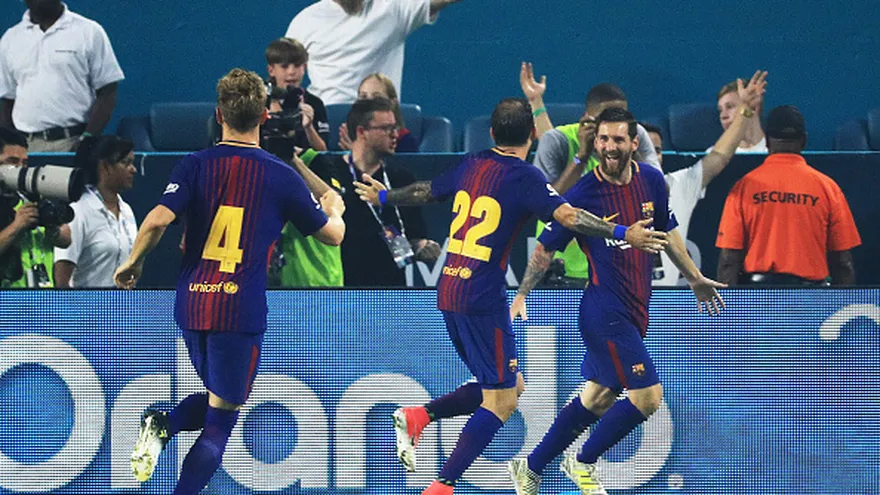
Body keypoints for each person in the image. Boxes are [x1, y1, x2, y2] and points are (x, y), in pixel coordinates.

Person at [354, 98, 667, 495]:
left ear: (491, 133)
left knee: (508, 386)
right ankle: (442, 487)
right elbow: (570, 217)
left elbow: (426, 191)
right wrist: (624, 233)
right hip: (482, 296)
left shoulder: (473, 162)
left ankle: (420, 415)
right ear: (533, 135)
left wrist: (384, 197)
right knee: (501, 401)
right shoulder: (524, 177)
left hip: (448, 287)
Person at [114, 68, 345, 495]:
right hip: (238, 309)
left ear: (218, 113)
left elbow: (157, 220)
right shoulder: (279, 175)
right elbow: (333, 236)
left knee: (221, 396)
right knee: (221, 422)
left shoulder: (194, 164)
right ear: (263, 116)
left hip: (192, 304)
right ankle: (166, 431)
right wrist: (334, 206)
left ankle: (165, 421)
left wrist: (134, 263)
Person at [505, 108, 725, 495]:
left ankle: (531, 465)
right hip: (603, 311)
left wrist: (694, 279)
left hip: (636, 309)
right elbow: (544, 247)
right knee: (647, 397)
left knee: (598, 397)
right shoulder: (583, 193)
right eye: (603, 139)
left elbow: (669, 232)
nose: (608, 146)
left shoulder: (652, 181)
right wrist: (522, 292)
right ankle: (582, 461)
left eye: (617, 139)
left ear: (632, 143)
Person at [521, 69, 661, 285]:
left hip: (618, 268)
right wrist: (581, 156)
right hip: (562, 269)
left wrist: (630, 150)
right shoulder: (557, 141)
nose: (616, 123)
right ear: (588, 119)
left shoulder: (636, 135)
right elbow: (544, 206)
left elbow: (659, 190)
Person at [716, 105, 861, 286]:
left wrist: (726, 311)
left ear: (767, 141)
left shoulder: (743, 187)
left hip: (758, 298)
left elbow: (729, 260)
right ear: (804, 141)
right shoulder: (828, 188)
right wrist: (843, 306)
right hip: (811, 300)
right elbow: (842, 263)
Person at [650, 71, 768, 286]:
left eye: (656, 150)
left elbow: (720, 157)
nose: (650, 156)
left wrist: (745, 111)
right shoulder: (607, 191)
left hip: (665, 301)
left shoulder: (680, 184)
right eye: (644, 149)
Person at [311, 97, 440, 287]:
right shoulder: (328, 171)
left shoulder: (401, 179)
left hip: (389, 291)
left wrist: (423, 247)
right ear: (362, 132)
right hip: (339, 289)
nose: (395, 134)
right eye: (386, 128)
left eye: (395, 127)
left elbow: (414, 236)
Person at [0, 0, 124, 151]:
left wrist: (87, 138)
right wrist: (10, 144)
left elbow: (108, 92)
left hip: (72, 141)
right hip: (25, 146)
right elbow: (7, 100)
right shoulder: (10, 39)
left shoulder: (89, 31)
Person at [285, 0, 463, 105]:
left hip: (380, 120)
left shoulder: (392, 9)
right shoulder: (304, 21)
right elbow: (284, 75)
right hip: (325, 120)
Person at [53, 136, 136, 288]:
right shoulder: (78, 211)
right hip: (87, 309)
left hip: (123, 308)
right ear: (105, 167)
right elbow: (62, 281)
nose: (133, 169)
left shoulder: (127, 211)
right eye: (125, 163)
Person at [0, 127, 71, 287]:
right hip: (8, 303)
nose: (20, 168)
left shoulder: (31, 195)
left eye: (24, 163)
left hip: (42, 301)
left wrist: (53, 228)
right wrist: (16, 226)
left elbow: (66, 240)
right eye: (12, 162)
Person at [264, 37, 329, 151]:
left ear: (304, 68)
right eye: (284, 66)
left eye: (297, 65)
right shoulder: (259, 101)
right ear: (271, 70)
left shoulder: (314, 103)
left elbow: (322, 152)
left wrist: (308, 127)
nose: (291, 72)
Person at [338, 73, 420, 152]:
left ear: (393, 103)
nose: (369, 103)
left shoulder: (405, 141)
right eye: (363, 97)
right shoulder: (348, 134)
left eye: (377, 98)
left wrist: (356, 153)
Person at [715, 77, 767, 153]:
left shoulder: (776, 153)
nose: (723, 116)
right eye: (720, 110)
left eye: (730, 106)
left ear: (754, 107)